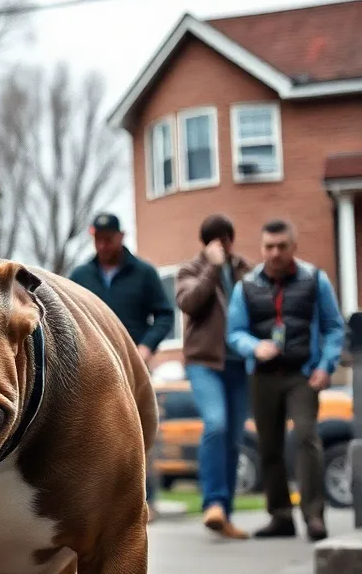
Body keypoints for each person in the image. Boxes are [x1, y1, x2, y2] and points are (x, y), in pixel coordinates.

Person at [227, 219, 344, 542]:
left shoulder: (315, 279)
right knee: (268, 447)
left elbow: (334, 327)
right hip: (262, 377)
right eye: (269, 247)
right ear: (262, 248)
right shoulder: (246, 286)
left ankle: (314, 517)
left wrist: (325, 366)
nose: (275, 253)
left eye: (281, 246)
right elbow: (234, 332)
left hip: (303, 374)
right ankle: (280, 517)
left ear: (293, 246)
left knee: (307, 437)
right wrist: (254, 346)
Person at [69, 212, 175, 510]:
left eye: (108, 239)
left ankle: (145, 502)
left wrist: (147, 346)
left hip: (133, 365)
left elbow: (165, 314)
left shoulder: (144, 273)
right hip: (91, 368)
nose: (102, 245)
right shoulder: (80, 276)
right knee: (91, 432)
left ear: (121, 237)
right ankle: (95, 505)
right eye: (97, 240)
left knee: (138, 432)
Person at [175, 215, 253, 539]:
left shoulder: (246, 271)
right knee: (216, 424)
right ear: (205, 244)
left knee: (234, 439)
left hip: (238, 364)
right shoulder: (190, 270)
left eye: (224, 239)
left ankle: (226, 514)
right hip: (203, 362)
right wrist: (212, 267)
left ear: (232, 240)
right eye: (213, 241)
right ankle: (214, 504)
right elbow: (188, 303)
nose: (221, 245)